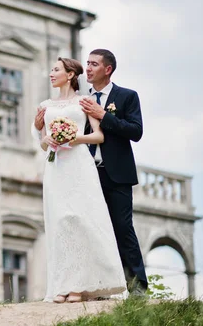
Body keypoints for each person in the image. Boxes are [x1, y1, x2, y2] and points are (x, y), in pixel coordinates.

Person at [32, 57, 126, 303]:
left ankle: (80, 285)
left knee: (80, 218)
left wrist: (74, 139)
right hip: (56, 166)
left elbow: (98, 136)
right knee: (60, 221)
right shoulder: (45, 105)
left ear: (71, 74)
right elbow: (42, 142)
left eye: (56, 70)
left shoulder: (84, 101)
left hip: (79, 164)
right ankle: (62, 285)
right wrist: (48, 139)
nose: (51, 74)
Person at [79, 48, 148, 295]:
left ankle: (137, 286)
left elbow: (136, 131)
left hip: (117, 174)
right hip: (87, 173)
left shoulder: (127, 96)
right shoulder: (79, 100)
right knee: (92, 229)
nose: (87, 68)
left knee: (122, 227)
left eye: (94, 64)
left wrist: (103, 116)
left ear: (107, 69)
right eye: (87, 63)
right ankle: (98, 286)